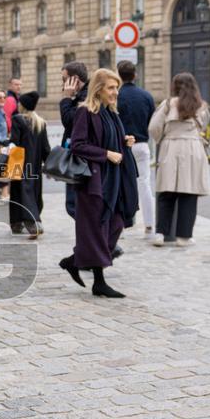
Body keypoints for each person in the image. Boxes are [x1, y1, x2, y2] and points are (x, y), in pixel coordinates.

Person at [59, 68, 138, 298]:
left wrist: (124, 141)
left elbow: (108, 139)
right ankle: (99, 282)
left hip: (113, 180)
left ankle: (73, 262)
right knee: (96, 230)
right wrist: (107, 154)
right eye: (111, 88)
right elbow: (78, 145)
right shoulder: (86, 112)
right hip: (94, 181)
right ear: (99, 89)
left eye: (117, 88)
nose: (115, 93)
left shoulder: (111, 112)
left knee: (115, 224)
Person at [148, 73, 210, 247]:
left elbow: (153, 127)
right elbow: (203, 126)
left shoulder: (168, 104)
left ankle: (161, 233)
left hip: (171, 147)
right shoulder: (201, 106)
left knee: (166, 191)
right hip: (193, 148)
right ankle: (184, 237)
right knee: (189, 192)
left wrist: (162, 138)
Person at [117, 61, 156, 238]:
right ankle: (149, 226)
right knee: (145, 184)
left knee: (120, 185)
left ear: (119, 75)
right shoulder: (146, 96)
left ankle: (121, 226)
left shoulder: (116, 96)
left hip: (121, 146)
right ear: (135, 75)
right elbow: (152, 122)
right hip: (141, 144)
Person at [9, 91, 50, 239]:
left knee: (18, 192)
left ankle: (27, 223)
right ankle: (22, 222)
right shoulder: (40, 122)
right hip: (36, 166)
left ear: (23, 105)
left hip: (19, 163)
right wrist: (49, 164)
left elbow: (15, 143)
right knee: (34, 192)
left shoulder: (18, 120)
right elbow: (46, 148)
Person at [59, 62, 89, 219]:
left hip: (80, 157)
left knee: (74, 205)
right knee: (75, 205)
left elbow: (70, 121)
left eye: (64, 79)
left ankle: (95, 240)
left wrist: (66, 99)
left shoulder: (85, 97)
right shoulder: (81, 95)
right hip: (77, 156)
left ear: (75, 79)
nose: (63, 84)